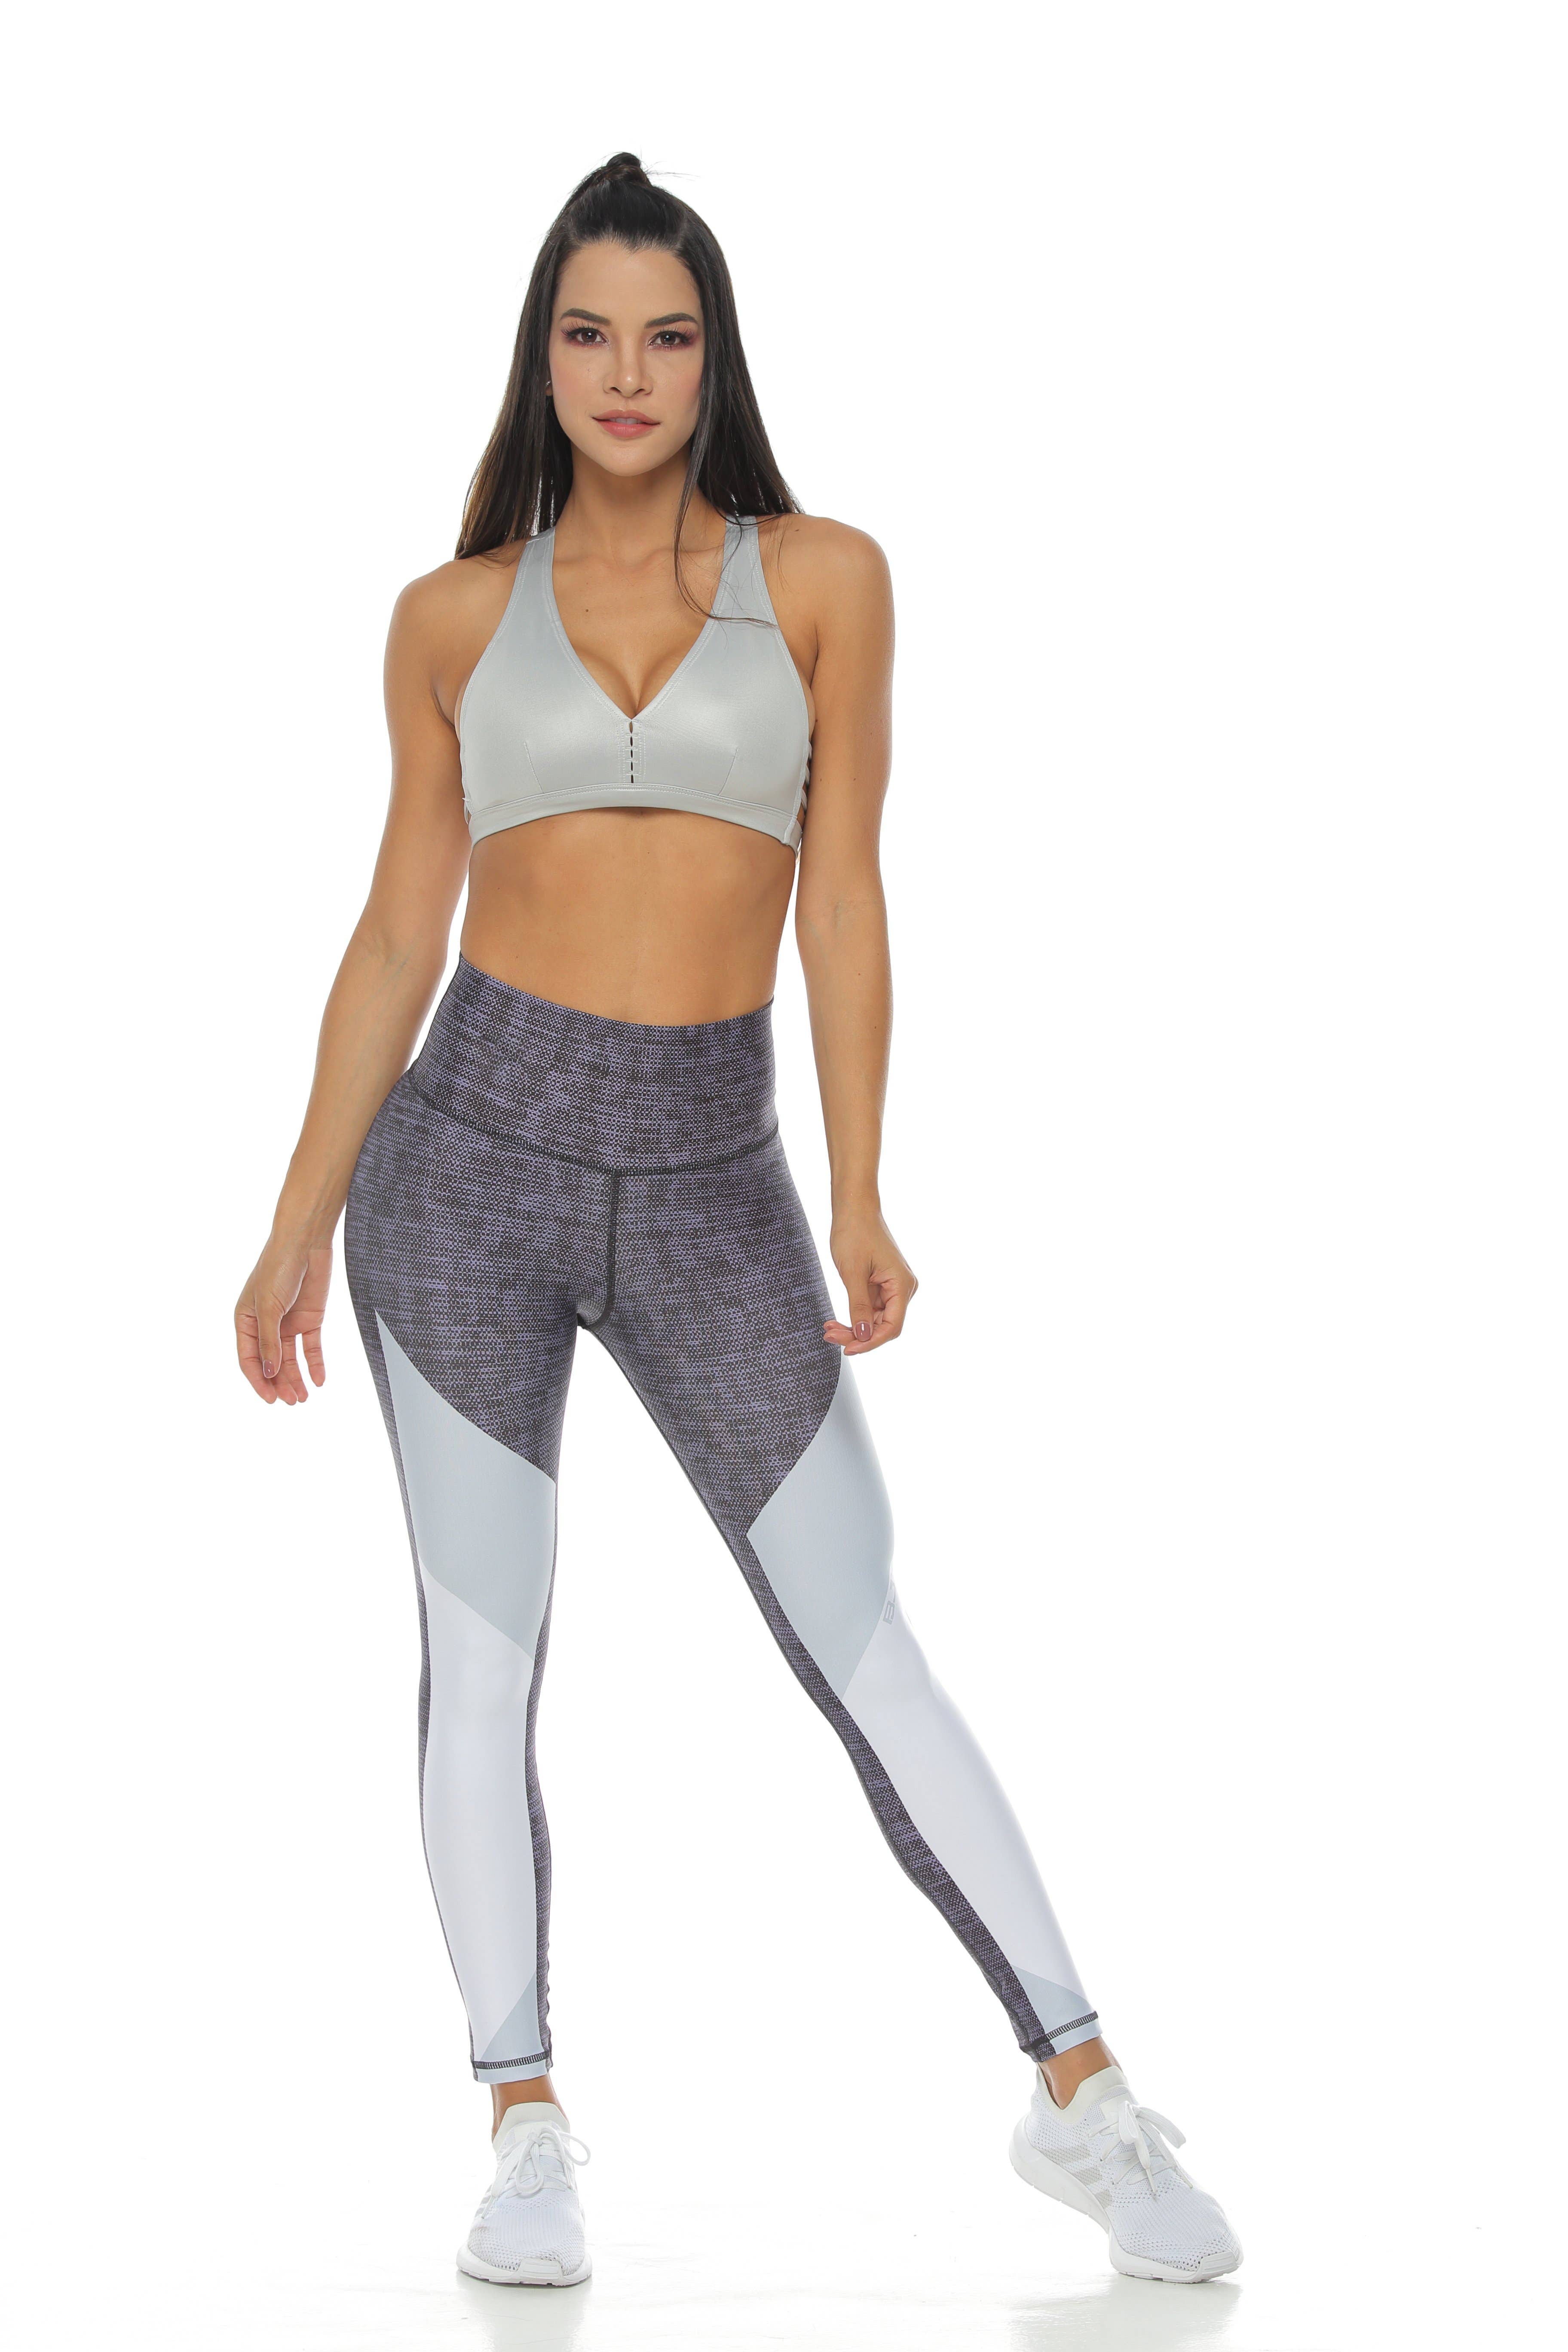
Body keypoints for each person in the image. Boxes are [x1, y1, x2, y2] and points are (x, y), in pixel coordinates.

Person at [234, 153, 1240, 2291]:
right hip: (465, 1171)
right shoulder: (448, 618)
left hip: (715, 1181)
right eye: (588, 333)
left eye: (668, 335)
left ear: (717, 359)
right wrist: (295, 1215)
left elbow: (844, 894)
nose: (628, 373)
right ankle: (522, 2122)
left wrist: (861, 1182)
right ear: (541, 355)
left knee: (866, 1638)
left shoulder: (828, 581)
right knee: (482, 1659)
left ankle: (1082, 2092)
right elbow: (398, 929)